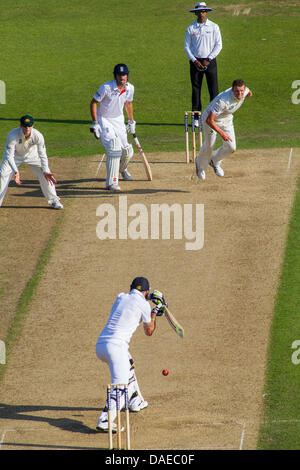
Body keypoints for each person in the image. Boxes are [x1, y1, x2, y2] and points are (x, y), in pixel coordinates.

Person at [95, 277, 165, 432]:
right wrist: (155, 312)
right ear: (146, 291)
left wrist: (149, 300)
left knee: (129, 363)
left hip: (101, 345)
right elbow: (149, 331)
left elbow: (132, 305)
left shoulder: (121, 297)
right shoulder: (144, 305)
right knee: (120, 387)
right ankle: (105, 419)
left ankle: (134, 400)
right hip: (116, 348)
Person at [90, 63, 136, 192]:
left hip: (118, 119)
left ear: (127, 76)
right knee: (114, 147)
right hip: (104, 119)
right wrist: (95, 123)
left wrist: (131, 120)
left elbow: (128, 103)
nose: (122, 77)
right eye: (120, 75)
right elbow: (93, 103)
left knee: (126, 150)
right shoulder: (106, 87)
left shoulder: (130, 88)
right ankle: (111, 182)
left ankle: (122, 169)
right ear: (115, 76)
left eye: (124, 75)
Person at [0, 115, 63, 209]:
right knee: (2, 174)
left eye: (29, 126)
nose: (27, 128)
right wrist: (16, 171)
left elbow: (42, 155)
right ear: (20, 126)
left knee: (46, 175)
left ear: (33, 126)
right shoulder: (12, 135)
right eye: (25, 126)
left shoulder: (38, 136)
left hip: (32, 155)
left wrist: (45, 170)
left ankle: (54, 201)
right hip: (14, 156)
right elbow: (9, 157)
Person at [195, 79, 253, 180]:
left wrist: (248, 94)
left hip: (226, 119)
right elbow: (210, 120)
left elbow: (249, 92)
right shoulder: (223, 101)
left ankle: (214, 160)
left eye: (242, 91)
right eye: (237, 91)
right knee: (210, 145)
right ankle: (200, 166)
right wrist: (222, 133)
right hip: (210, 120)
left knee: (231, 147)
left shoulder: (245, 91)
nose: (240, 93)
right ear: (232, 89)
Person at [184, 2, 222, 127]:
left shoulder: (214, 27)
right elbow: (187, 47)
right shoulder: (191, 28)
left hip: (210, 61)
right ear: (195, 13)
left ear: (206, 12)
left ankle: (214, 116)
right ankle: (196, 118)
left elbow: (218, 45)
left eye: (203, 11)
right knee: (196, 90)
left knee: (214, 90)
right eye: (199, 11)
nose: (201, 14)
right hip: (195, 62)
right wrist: (195, 60)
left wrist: (209, 59)